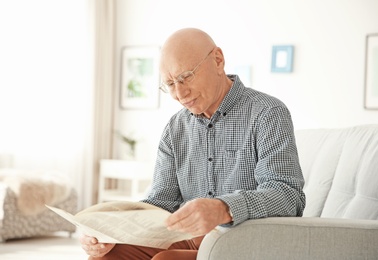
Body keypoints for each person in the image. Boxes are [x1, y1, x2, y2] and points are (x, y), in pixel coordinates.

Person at [80, 28, 306, 260]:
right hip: (184, 238)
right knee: (108, 255)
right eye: (169, 84)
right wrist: (111, 231)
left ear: (218, 60)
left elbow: (287, 195)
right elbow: (161, 202)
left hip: (242, 243)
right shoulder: (174, 128)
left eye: (185, 76)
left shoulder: (267, 113)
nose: (180, 93)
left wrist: (222, 209)